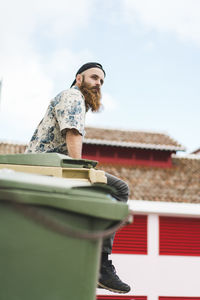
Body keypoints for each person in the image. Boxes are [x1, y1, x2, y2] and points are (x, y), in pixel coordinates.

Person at [25, 62, 131, 294]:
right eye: (94, 78)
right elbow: (72, 133)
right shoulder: (73, 96)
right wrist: (81, 170)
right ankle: (101, 264)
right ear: (79, 78)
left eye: (102, 81)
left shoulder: (74, 101)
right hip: (49, 166)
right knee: (119, 189)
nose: (98, 84)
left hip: (48, 166)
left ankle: (89, 253)